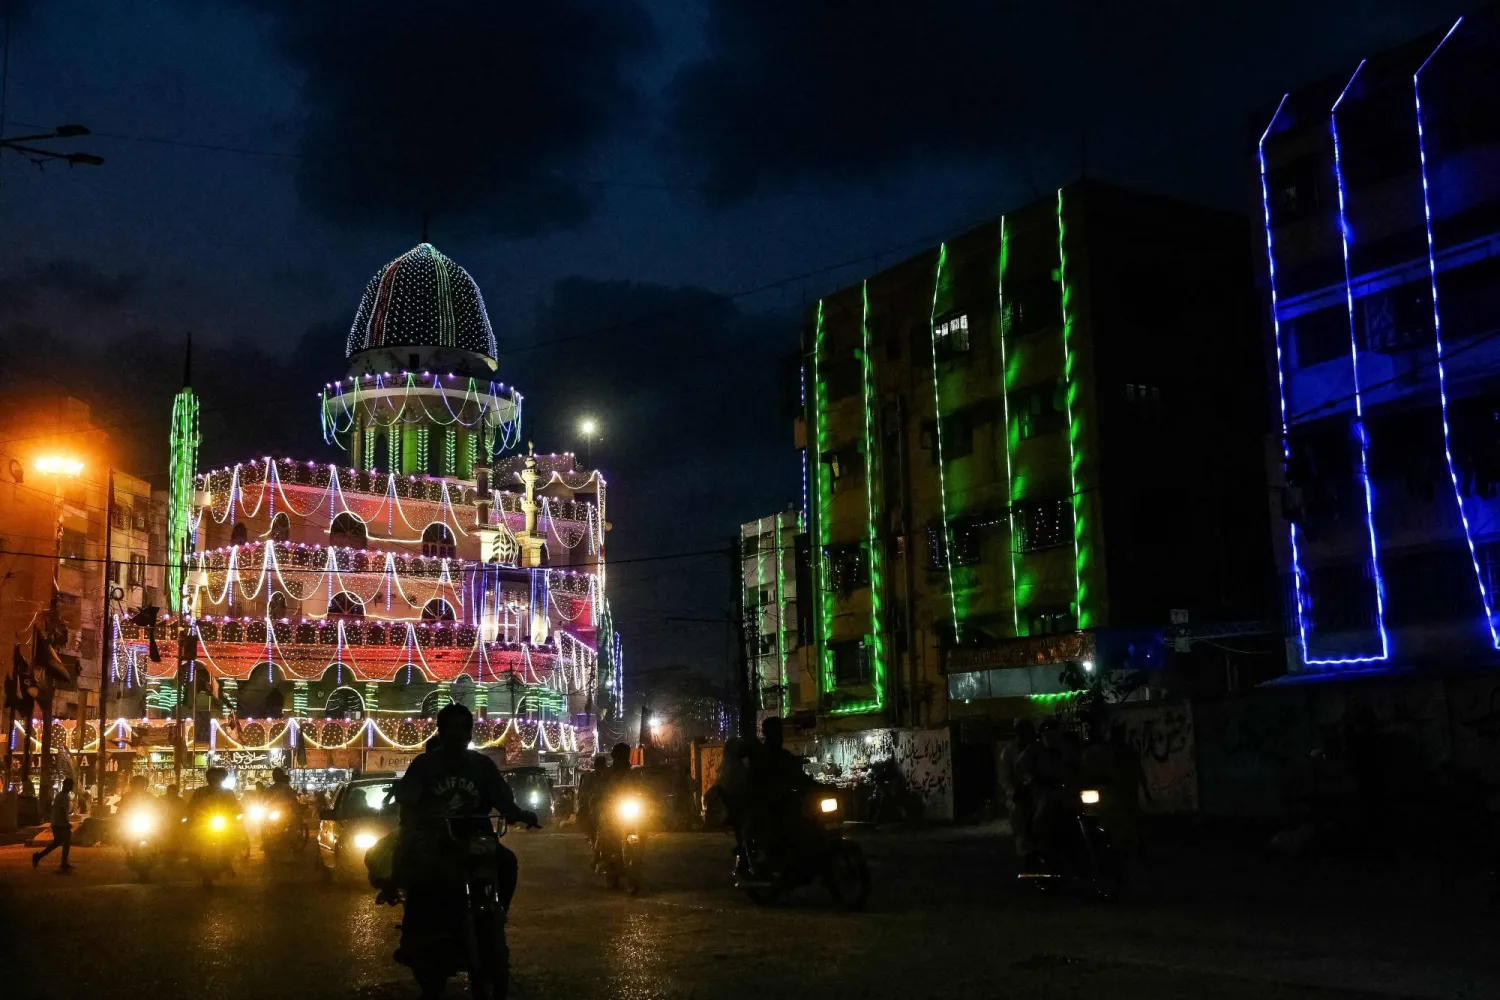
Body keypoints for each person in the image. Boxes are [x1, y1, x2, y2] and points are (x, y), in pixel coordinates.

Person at [392, 703, 538, 1000]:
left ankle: (496, 916)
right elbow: (409, 796)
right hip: (437, 843)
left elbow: (502, 800)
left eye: (463, 728)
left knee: (507, 862)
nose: (458, 734)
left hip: (477, 840)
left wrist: (520, 814)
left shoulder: (482, 766)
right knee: (418, 879)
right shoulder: (425, 765)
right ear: (441, 731)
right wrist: (409, 801)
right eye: (451, 728)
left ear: (471, 732)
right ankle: (416, 941)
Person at [999, 720, 1037, 858]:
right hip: (1020, 795)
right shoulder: (1009, 752)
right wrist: (1012, 792)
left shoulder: (1038, 749)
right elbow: (1005, 777)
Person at [33, 777, 75, 872]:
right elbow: (61, 811)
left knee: (59, 843)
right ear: (66, 786)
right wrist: (66, 822)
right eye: (71, 785)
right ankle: (62, 863)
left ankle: (39, 857)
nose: (72, 787)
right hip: (59, 824)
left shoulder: (63, 796)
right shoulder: (62, 797)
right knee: (64, 841)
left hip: (59, 823)